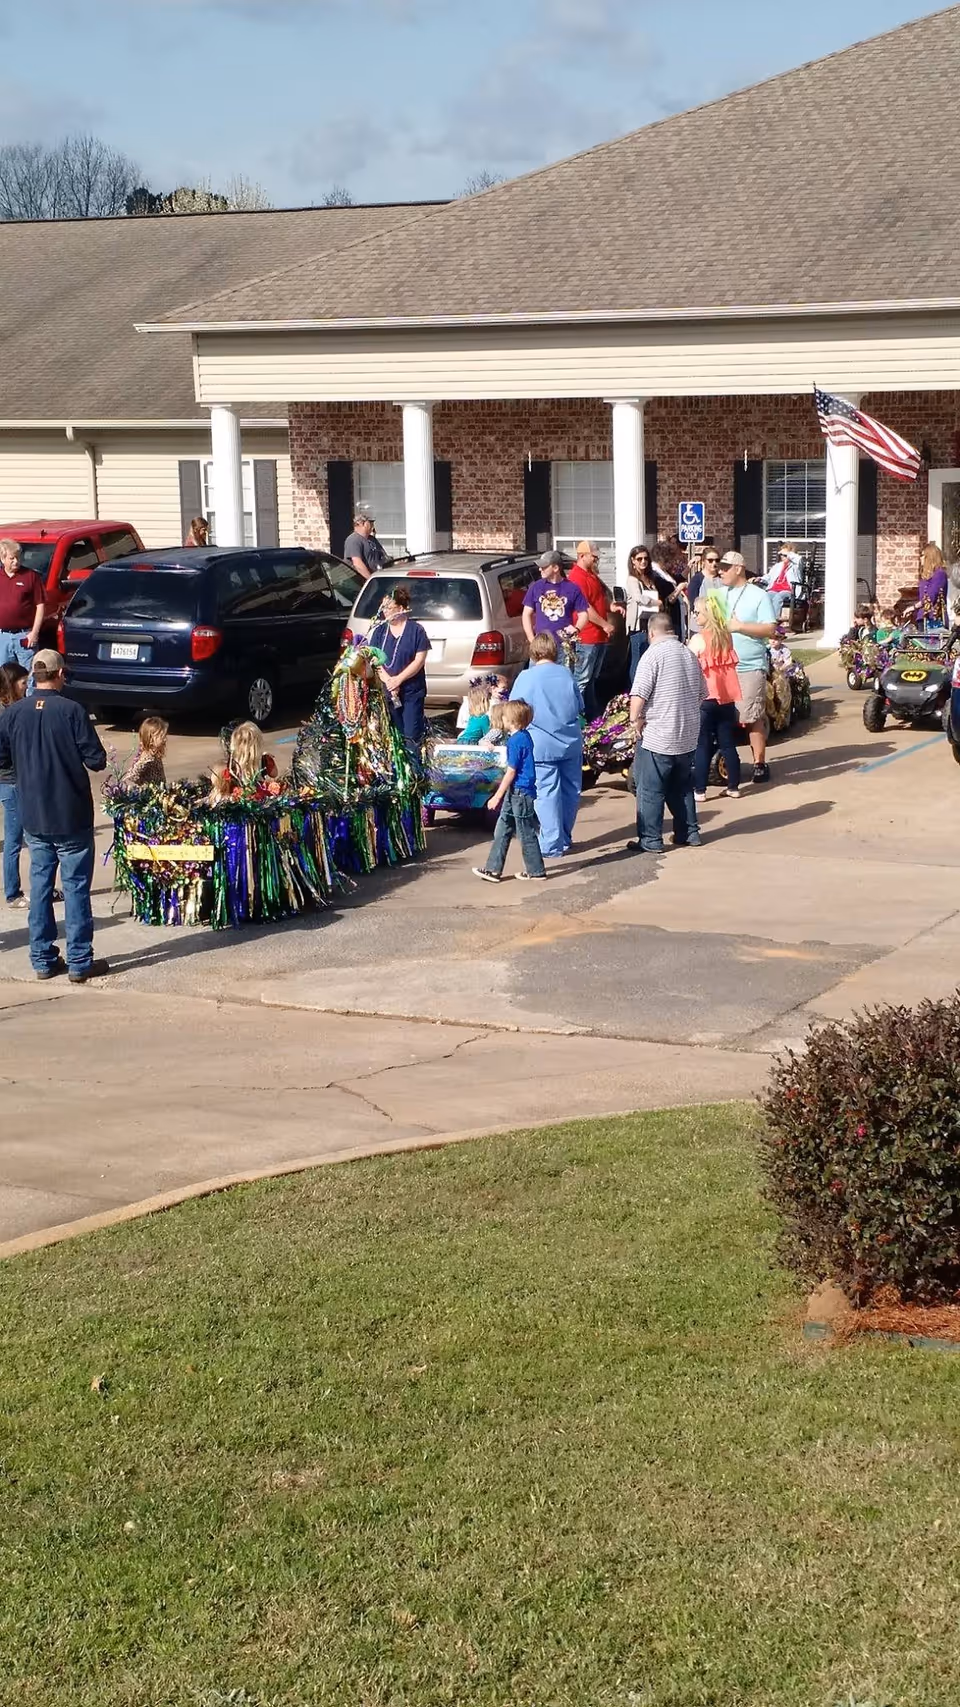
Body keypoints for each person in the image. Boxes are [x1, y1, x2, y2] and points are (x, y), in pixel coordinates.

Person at [0, 648, 107, 982]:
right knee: (75, 888)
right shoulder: (73, 711)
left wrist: (25, 771)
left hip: (34, 812)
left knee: (41, 887)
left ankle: (43, 959)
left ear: (33, 676)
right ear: (60, 674)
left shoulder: (13, 713)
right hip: (70, 812)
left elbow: (2, 759)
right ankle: (79, 960)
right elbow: (96, 760)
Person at [627, 613, 706, 853]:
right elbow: (703, 692)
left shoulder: (652, 655)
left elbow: (639, 694)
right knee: (682, 786)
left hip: (659, 734)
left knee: (650, 788)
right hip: (688, 734)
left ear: (651, 633)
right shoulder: (688, 654)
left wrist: (635, 720)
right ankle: (689, 832)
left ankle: (650, 839)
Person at [509, 632, 583, 859]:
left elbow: (513, 709)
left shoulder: (526, 677)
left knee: (547, 793)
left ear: (533, 652)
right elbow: (580, 706)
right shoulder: (567, 675)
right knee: (571, 791)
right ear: (554, 651)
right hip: (570, 741)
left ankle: (551, 843)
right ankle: (564, 837)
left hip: (540, 743)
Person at [711, 550, 777, 784]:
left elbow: (770, 629)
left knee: (751, 715)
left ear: (739, 568)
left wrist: (740, 627)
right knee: (719, 716)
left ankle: (759, 762)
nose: (721, 571)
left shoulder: (758, 595)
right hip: (721, 665)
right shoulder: (717, 594)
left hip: (749, 664)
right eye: (720, 567)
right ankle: (725, 761)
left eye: (726, 567)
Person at [472, 700, 545, 883]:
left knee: (525, 832)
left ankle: (536, 871)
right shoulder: (524, 736)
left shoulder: (515, 741)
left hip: (519, 792)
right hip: (518, 792)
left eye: (504, 716)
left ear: (512, 719)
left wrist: (496, 796)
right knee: (503, 828)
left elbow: (511, 771)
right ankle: (493, 869)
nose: (501, 719)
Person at [688, 597, 742, 802]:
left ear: (707, 615)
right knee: (728, 743)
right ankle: (734, 786)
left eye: (697, 612)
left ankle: (700, 790)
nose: (695, 615)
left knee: (702, 745)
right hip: (726, 698)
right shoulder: (726, 637)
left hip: (705, 698)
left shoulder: (698, 640)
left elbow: (690, 666)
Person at [368, 584, 431, 747]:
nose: (385, 611)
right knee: (393, 738)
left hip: (411, 692)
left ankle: (413, 771)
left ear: (401, 608)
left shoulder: (416, 630)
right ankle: (397, 771)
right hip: (388, 692)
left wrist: (399, 680)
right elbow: (374, 659)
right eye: (383, 607)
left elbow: (419, 660)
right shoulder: (379, 631)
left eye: (389, 607)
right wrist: (389, 681)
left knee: (411, 737)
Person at [567, 539, 615, 721]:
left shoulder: (591, 575)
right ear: (582, 556)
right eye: (593, 557)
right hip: (587, 636)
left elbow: (597, 601)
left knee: (592, 679)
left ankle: (592, 716)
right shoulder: (577, 577)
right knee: (582, 680)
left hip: (598, 637)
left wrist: (612, 608)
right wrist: (604, 624)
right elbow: (585, 607)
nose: (596, 560)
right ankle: (576, 718)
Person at [521, 550, 593, 651]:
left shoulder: (572, 588)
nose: (540, 569)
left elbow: (584, 614)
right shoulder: (536, 587)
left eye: (544, 567)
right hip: (541, 646)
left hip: (564, 646)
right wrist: (532, 640)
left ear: (555, 568)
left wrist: (576, 629)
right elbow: (526, 614)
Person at [0, 661, 28, 907]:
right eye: (23, 683)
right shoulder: (6, 714)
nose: (26, 687)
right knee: (14, 838)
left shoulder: (12, 709)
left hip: (13, 779)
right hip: (11, 780)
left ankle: (42, 887)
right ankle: (13, 893)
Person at [0, 538, 45, 671]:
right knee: (4, 675)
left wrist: (34, 633)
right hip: (2, 636)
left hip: (24, 635)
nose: (16, 561)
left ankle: (29, 694)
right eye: (12, 558)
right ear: (3, 559)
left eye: (18, 558)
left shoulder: (30, 576)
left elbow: (40, 605)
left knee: (29, 675)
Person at [209, 721, 281, 802]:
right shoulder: (265, 760)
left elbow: (216, 782)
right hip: (259, 799)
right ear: (258, 744)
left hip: (236, 800)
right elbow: (275, 774)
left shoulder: (230, 766)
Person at [621, 545, 663, 679]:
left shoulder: (650, 578)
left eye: (645, 558)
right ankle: (634, 692)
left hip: (650, 624)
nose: (643, 561)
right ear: (633, 561)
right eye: (639, 559)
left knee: (648, 661)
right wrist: (656, 602)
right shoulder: (632, 579)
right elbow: (639, 598)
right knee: (637, 661)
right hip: (638, 626)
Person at [121, 716, 169, 788]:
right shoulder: (148, 758)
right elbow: (132, 775)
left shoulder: (155, 754)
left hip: (159, 790)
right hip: (152, 793)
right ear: (151, 739)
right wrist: (144, 785)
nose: (165, 739)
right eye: (162, 737)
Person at [342, 513, 388, 581]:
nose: (372, 526)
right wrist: (370, 580)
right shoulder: (353, 540)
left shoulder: (372, 539)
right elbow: (357, 563)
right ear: (361, 523)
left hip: (376, 578)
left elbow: (384, 557)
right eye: (370, 522)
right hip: (359, 583)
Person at [762, 542, 803, 618]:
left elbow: (799, 559)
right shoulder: (778, 566)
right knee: (765, 597)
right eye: (781, 554)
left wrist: (788, 553)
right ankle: (763, 620)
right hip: (774, 589)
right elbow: (769, 576)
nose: (782, 556)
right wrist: (760, 579)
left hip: (788, 590)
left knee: (778, 597)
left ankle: (774, 621)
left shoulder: (796, 566)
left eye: (784, 555)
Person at [914, 541, 949, 629]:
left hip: (933, 619)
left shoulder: (939, 574)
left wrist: (913, 607)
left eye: (922, 555)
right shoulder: (926, 576)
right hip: (923, 618)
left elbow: (930, 597)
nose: (920, 558)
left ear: (929, 557)